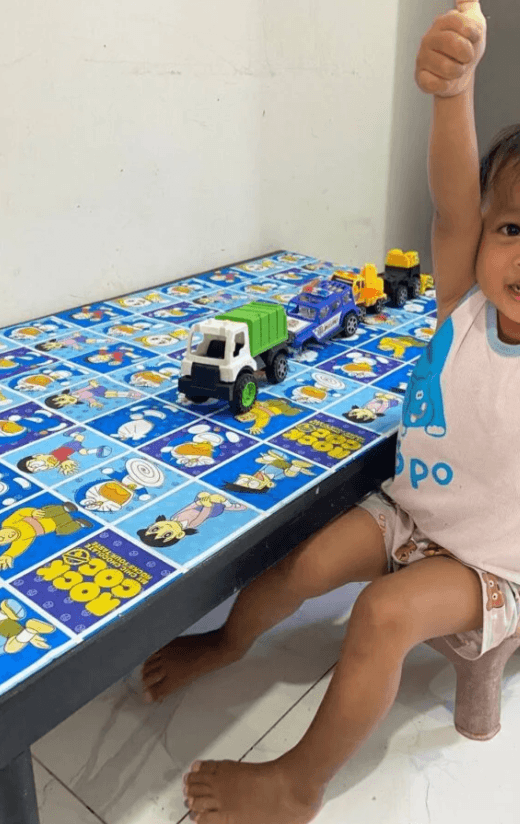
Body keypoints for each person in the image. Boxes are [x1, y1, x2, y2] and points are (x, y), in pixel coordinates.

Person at [142, 3, 516, 823]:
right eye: (514, 227)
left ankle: (298, 781)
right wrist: (453, 92)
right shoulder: (461, 307)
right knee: (302, 562)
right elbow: (453, 205)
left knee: (382, 616)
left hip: (496, 567)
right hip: (410, 514)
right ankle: (232, 641)